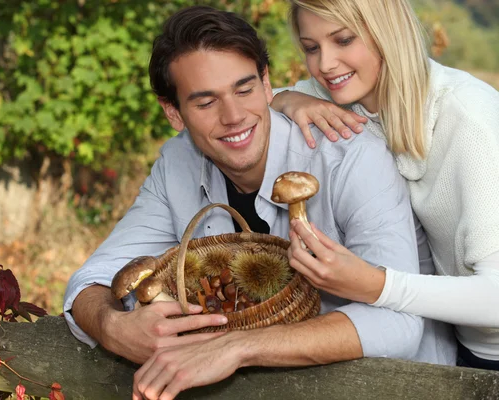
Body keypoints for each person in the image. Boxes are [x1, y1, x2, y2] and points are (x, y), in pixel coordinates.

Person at [63, 5, 456, 399]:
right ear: (174, 113)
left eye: (244, 89)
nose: (234, 116)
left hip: (400, 387)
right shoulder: (176, 163)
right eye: (205, 102)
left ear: (267, 84)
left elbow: (398, 326)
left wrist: (235, 347)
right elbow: (91, 278)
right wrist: (111, 327)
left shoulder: (353, 158)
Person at [271, 0, 499, 371]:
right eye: (311, 48)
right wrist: (286, 99)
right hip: (459, 345)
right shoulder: (339, 95)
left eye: (343, 40)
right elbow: (241, 101)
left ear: (387, 33)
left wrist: (374, 285)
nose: (325, 64)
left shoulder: (470, 118)